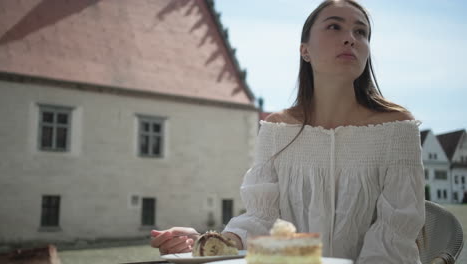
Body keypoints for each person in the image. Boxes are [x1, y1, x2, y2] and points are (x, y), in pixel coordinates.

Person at [150, 0, 425, 262]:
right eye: (334, 26)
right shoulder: (276, 129)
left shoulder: (396, 128)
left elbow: (395, 232)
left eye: (361, 32)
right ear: (305, 50)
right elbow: (261, 217)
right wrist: (214, 242)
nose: (350, 38)